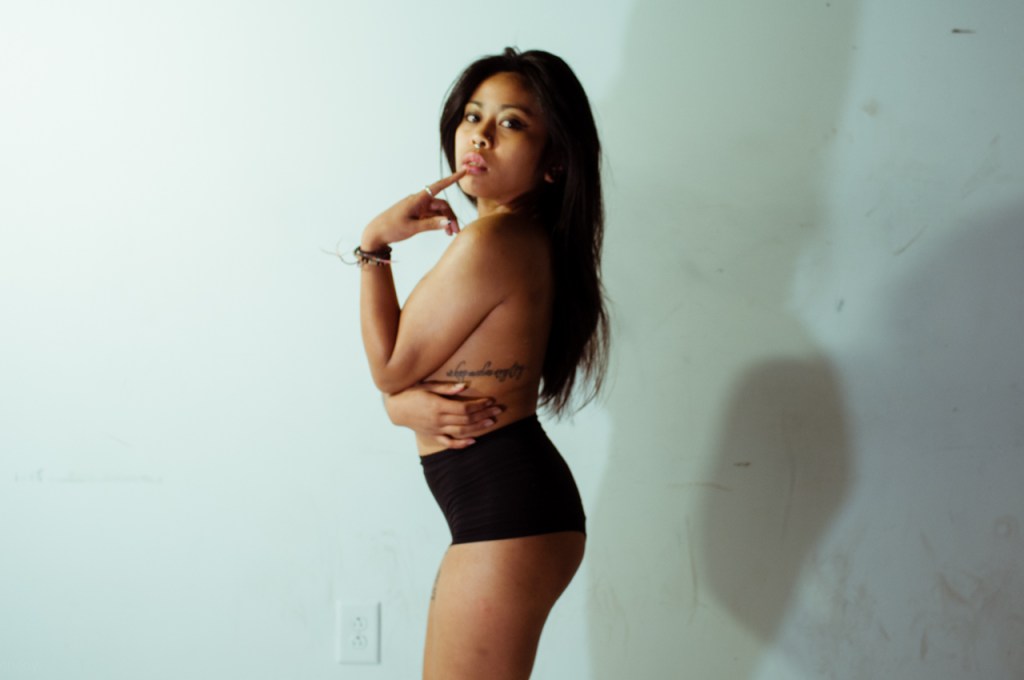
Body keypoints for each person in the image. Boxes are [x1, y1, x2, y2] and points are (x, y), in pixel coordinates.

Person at [354, 47, 608, 680]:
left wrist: (374, 246)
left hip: (508, 515)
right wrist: (398, 405)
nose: (481, 135)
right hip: (510, 511)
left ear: (554, 161)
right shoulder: (522, 238)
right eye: (473, 115)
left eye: (511, 122)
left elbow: (390, 368)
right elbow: (406, 378)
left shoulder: (493, 241)